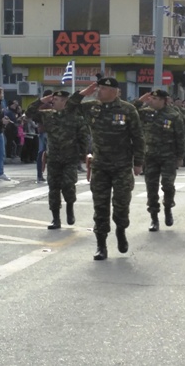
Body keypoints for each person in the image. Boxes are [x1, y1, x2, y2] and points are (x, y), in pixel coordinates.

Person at [66, 77, 144, 260]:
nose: (99, 91)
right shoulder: (92, 107)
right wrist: (83, 93)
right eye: (98, 88)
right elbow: (69, 109)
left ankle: (121, 230)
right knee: (100, 206)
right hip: (100, 166)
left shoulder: (127, 109)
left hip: (122, 165)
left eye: (102, 88)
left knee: (121, 204)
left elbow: (138, 137)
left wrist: (138, 162)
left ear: (114, 91)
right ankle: (101, 245)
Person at [26, 90, 88, 229]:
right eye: (53, 99)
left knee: (68, 186)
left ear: (64, 101)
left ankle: (70, 209)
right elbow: (29, 112)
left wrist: (82, 156)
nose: (53, 101)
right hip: (53, 158)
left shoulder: (75, 117)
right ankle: (55, 219)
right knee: (53, 188)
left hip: (70, 158)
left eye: (57, 99)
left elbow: (83, 137)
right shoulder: (47, 115)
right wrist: (42, 100)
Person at [134, 89, 185, 232]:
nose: (152, 101)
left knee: (168, 185)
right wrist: (142, 99)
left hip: (168, 156)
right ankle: (154, 218)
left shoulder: (173, 115)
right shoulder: (145, 113)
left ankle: (168, 207)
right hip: (150, 156)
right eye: (152, 98)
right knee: (151, 187)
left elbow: (180, 137)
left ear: (164, 100)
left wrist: (180, 157)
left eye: (156, 99)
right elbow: (131, 110)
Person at [35, 89, 52, 183]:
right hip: (47, 132)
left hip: (41, 131)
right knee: (49, 155)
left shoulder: (39, 106)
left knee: (41, 154)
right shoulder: (48, 106)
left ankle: (39, 175)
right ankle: (47, 176)